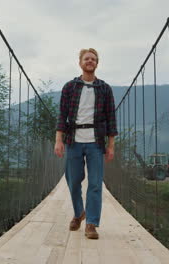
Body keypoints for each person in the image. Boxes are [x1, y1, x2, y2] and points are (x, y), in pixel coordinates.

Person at [54, 48, 118, 239]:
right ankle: (78, 212)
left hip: (96, 142)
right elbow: (62, 116)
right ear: (80, 62)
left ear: (97, 63)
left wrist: (111, 145)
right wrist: (58, 140)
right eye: (86, 58)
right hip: (73, 140)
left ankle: (91, 223)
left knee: (95, 183)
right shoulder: (69, 87)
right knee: (73, 181)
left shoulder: (105, 89)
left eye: (93, 59)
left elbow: (111, 119)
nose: (90, 61)